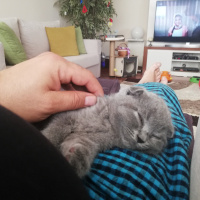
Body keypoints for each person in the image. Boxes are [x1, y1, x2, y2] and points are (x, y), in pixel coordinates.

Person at [0, 52, 192, 199]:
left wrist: (79, 151)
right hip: (126, 97)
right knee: (161, 92)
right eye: (139, 120)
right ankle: (156, 84)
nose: (142, 137)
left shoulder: (117, 134)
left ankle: (158, 82)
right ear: (130, 95)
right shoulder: (105, 107)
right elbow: (68, 122)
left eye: (155, 137)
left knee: (168, 112)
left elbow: (90, 138)